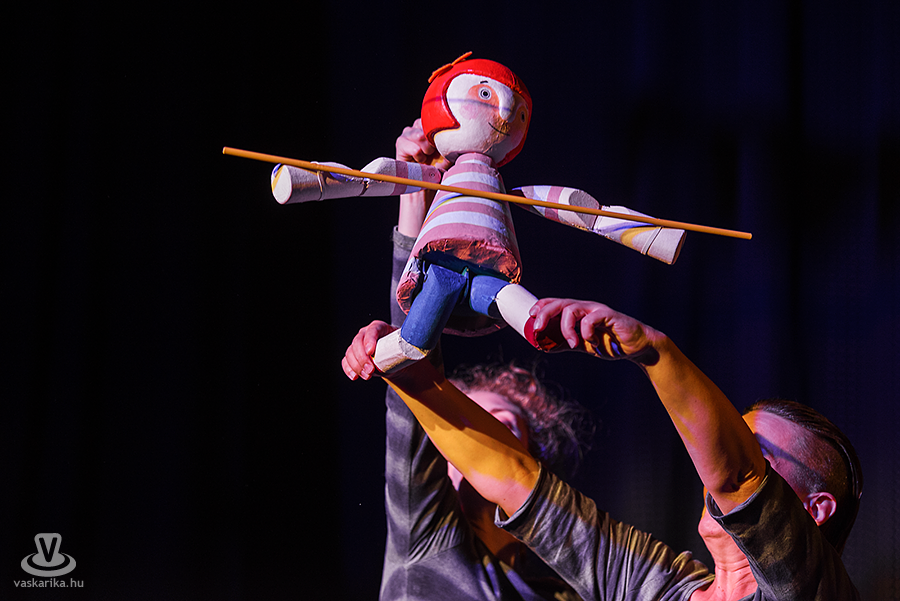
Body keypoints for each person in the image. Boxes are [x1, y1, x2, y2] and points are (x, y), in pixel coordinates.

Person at [343, 297, 862, 600]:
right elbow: (518, 482)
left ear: (814, 510)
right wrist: (405, 368)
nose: (715, 460)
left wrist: (653, 351)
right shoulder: (661, 587)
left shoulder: (812, 588)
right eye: (731, 437)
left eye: (747, 448)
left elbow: (740, 480)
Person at [368, 121, 594, 600]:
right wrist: (414, 193)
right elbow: (414, 379)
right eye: (467, 423)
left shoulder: (561, 589)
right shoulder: (426, 542)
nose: (488, 430)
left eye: (505, 426)